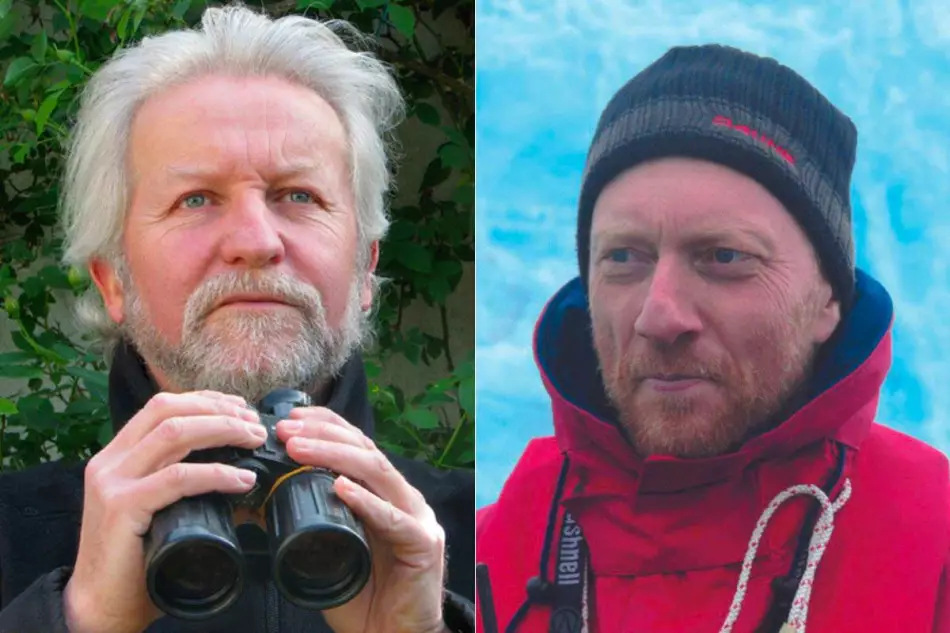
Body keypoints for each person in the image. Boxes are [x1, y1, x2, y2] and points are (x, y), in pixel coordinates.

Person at [0, 5, 474, 633]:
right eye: (195, 199)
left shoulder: (495, 533)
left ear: (364, 270)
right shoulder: (11, 538)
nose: (256, 240)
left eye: (298, 196)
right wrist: (71, 621)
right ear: (114, 280)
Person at [475, 45, 950, 633]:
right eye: (623, 258)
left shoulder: (933, 547)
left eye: (725, 257)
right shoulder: (485, 551)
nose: (660, 316)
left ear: (829, 298)